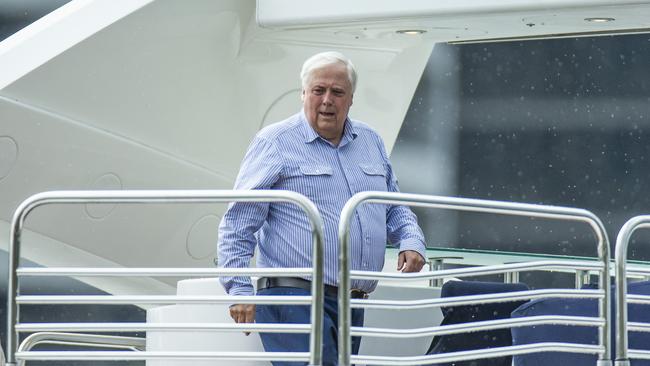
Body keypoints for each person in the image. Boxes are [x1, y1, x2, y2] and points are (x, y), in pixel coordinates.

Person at [217, 51, 426, 365]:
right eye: (319, 90)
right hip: (294, 297)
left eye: (337, 92)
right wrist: (239, 288)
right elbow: (238, 222)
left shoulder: (370, 141)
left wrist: (411, 240)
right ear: (303, 94)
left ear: (351, 99)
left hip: (351, 301)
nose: (327, 100)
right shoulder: (275, 142)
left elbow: (393, 206)